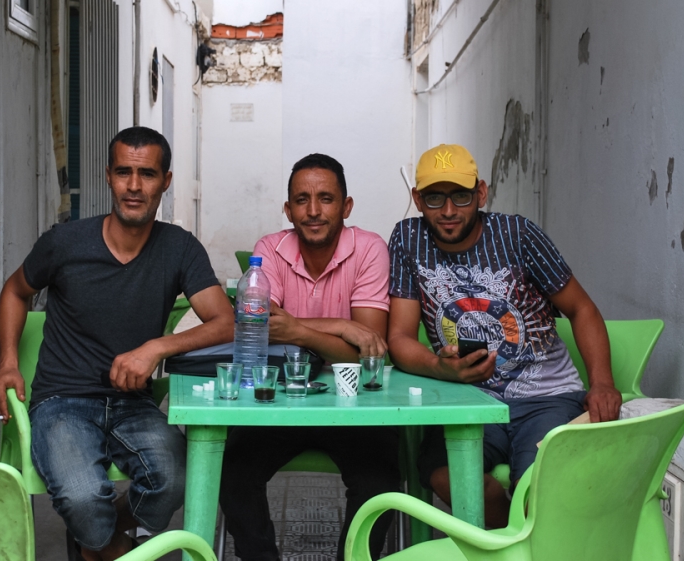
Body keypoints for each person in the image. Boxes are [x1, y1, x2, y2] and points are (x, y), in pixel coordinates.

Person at [0, 127, 234, 561]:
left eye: (147, 174)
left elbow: (225, 322)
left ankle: (96, 540)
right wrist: (8, 362)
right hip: (62, 402)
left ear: (165, 181)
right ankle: (111, 547)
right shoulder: (65, 242)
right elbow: (15, 291)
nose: (134, 186)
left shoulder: (179, 248)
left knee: (175, 478)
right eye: (123, 172)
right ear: (108, 176)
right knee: (82, 496)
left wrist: (156, 347)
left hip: (132, 402)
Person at [387, 143, 621, 528]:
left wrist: (602, 383)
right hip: (470, 400)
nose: (448, 211)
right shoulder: (408, 239)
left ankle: (524, 531)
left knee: (538, 492)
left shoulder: (517, 235)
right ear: (417, 199)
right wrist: (441, 368)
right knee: (445, 476)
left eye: (461, 196)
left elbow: (582, 309)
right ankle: (507, 542)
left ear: (481, 193)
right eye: (434, 198)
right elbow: (398, 338)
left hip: (546, 396)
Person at [219, 154, 399, 561]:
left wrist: (299, 331)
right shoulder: (269, 250)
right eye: (302, 200)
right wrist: (340, 326)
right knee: (231, 473)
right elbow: (265, 326)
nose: (313, 211)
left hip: (354, 405)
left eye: (326, 199)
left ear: (346, 206)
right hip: (283, 400)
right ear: (288, 209)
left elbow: (367, 353)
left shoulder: (369, 248)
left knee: (380, 482)